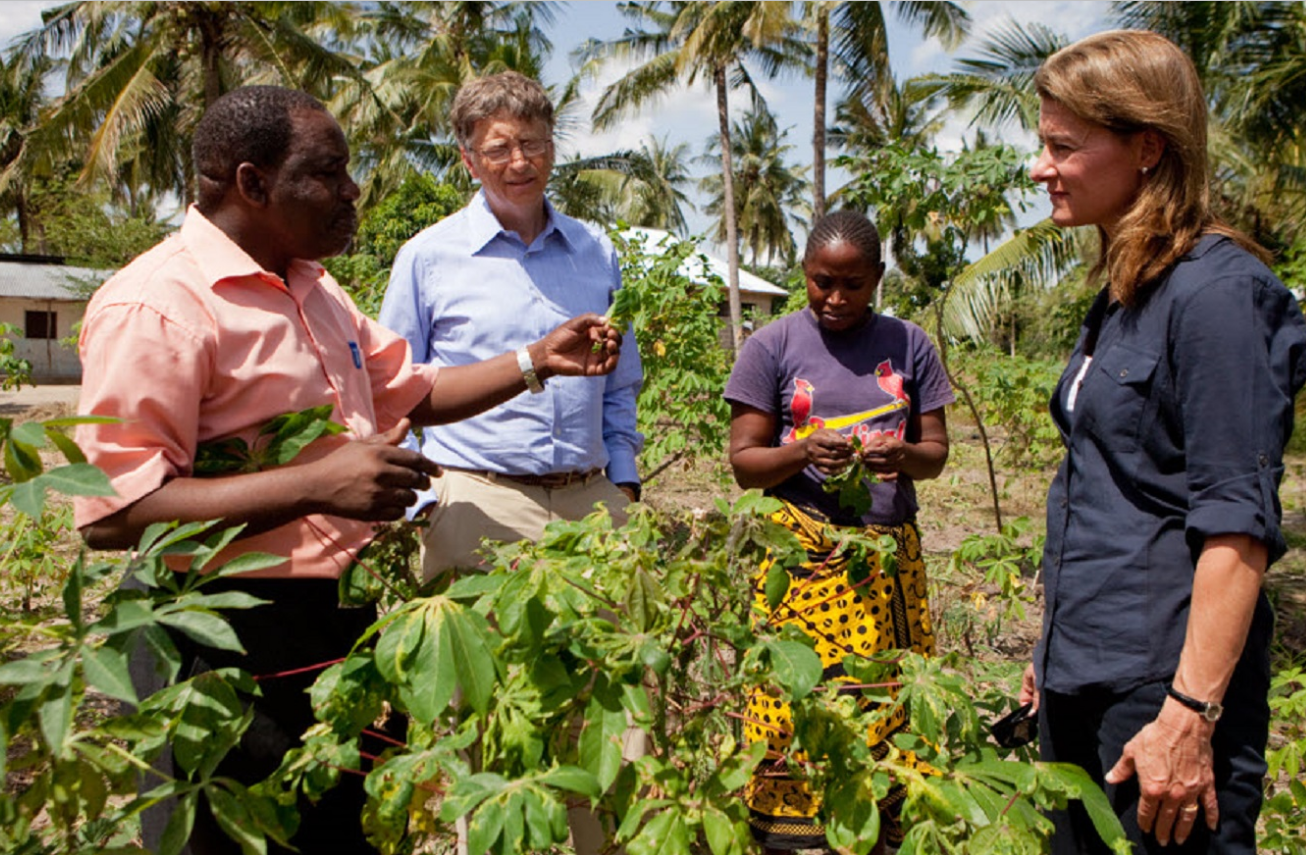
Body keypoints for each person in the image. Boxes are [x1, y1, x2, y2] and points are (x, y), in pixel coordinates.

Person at [73, 85, 623, 855]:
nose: (352, 190)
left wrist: (538, 359)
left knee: (333, 830)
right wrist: (317, 485)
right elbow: (112, 513)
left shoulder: (315, 288)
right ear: (253, 183)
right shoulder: (158, 305)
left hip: (333, 620)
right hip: (219, 630)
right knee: (229, 837)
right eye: (328, 172)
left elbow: (415, 389)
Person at [1018, 30, 1306, 854]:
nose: (1041, 168)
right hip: (1083, 675)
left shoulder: (1219, 296)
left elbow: (1237, 527)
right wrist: (1052, 648)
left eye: (1064, 146)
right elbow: (1111, 485)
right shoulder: (1126, 290)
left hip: (1160, 693)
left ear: (1148, 148)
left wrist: (1189, 714)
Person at [724, 210, 955, 852]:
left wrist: (902, 454)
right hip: (800, 562)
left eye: (853, 284)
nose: (835, 297)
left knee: (884, 703)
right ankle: (791, 833)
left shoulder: (910, 344)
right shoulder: (770, 346)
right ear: (804, 272)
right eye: (822, 282)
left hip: (885, 562)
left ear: (877, 278)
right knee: (793, 701)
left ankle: (876, 828)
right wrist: (802, 451)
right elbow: (744, 464)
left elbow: (935, 453)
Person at [379, 70, 643, 583]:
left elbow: (620, 381)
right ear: (469, 161)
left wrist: (624, 483)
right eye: (498, 149)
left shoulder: (596, 252)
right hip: (476, 502)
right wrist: (425, 505)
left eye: (532, 144)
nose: (520, 162)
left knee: (602, 639)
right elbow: (390, 389)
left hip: (592, 505)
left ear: (552, 147)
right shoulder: (428, 257)